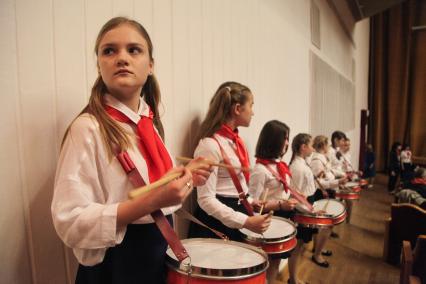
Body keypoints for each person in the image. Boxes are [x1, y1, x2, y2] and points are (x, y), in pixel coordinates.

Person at [51, 17, 211, 284]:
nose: (121, 58)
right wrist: (151, 202)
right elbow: (69, 221)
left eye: (133, 49)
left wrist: (186, 177)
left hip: (157, 251)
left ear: (150, 66)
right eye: (109, 50)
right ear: (99, 65)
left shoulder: (151, 125)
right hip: (116, 265)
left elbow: (158, 187)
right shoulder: (87, 128)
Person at [188, 82, 272, 242]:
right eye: (251, 106)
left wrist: (251, 201)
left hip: (236, 211)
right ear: (238, 109)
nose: (253, 112)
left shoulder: (235, 142)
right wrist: (245, 221)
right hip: (218, 221)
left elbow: (233, 186)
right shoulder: (210, 145)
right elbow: (205, 199)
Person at [248, 120, 299, 282]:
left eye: (287, 138)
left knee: (277, 260)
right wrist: (280, 204)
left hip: (282, 216)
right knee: (264, 262)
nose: (287, 143)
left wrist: (288, 201)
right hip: (267, 220)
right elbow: (252, 204)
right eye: (284, 138)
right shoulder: (260, 170)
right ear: (273, 140)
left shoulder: (279, 165)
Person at [309, 135, 347, 267]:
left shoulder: (322, 158)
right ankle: (317, 254)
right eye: (327, 145)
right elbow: (320, 182)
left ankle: (318, 248)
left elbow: (328, 173)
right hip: (321, 193)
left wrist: (338, 179)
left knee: (323, 226)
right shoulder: (317, 161)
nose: (329, 147)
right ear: (323, 145)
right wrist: (337, 181)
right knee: (326, 225)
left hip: (327, 190)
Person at [289, 133, 319, 283]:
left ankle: (294, 277)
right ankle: (293, 279)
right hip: (302, 210)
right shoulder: (298, 168)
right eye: (311, 145)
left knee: (300, 246)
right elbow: (295, 197)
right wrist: (311, 210)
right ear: (303, 147)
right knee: (297, 246)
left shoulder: (302, 164)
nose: (313, 148)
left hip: (307, 207)